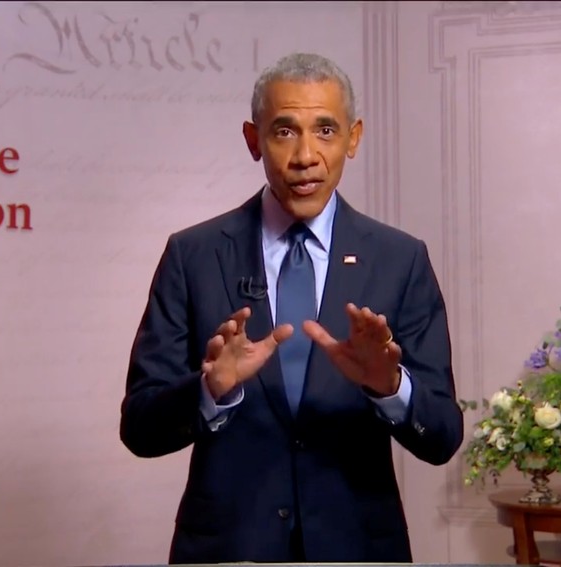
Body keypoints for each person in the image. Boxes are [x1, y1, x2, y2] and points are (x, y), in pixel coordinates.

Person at [120, 52, 464, 563]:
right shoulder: (193, 255)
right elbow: (141, 429)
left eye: (326, 130)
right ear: (253, 139)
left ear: (354, 137)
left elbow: (441, 437)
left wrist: (390, 388)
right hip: (227, 549)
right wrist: (210, 391)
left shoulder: (400, 259)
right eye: (284, 132)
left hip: (360, 548)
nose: (306, 155)